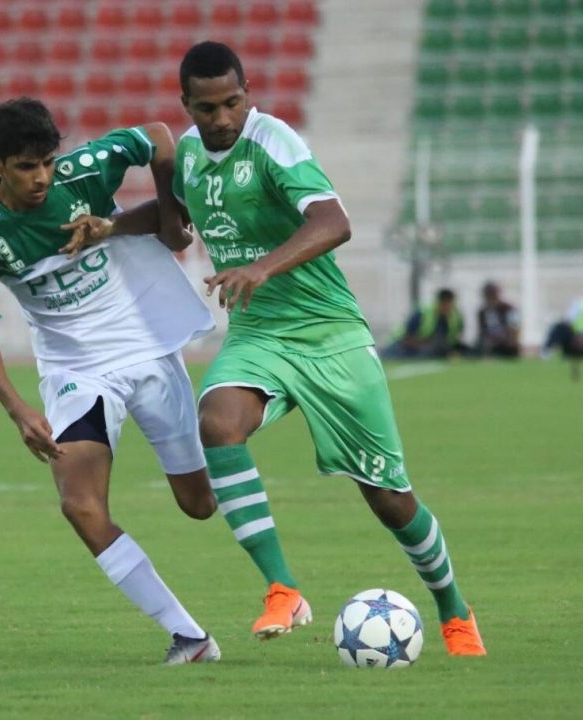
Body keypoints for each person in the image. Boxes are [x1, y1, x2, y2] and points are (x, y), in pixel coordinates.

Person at [169, 41, 485, 655]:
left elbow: (334, 222)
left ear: (248, 93)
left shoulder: (273, 140)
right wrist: (112, 226)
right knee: (217, 423)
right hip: (260, 334)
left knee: (389, 498)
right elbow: (174, 213)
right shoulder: (188, 155)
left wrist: (260, 267)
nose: (223, 118)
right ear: (187, 105)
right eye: (208, 108)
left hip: (329, 332)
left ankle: (454, 609)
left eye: (233, 102)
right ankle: (282, 588)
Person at [0, 98, 221, 665]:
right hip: (76, 371)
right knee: (80, 504)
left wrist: (171, 214)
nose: (42, 177)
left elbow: (158, 135)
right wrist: (19, 410)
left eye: (48, 162)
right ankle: (189, 637)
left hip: (146, 350)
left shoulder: (85, 171)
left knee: (199, 504)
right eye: (26, 166)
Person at [383, 288, 470, 359]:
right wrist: (428, 344)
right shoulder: (422, 313)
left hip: (434, 348)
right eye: (445, 304)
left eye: (450, 304)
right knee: (389, 355)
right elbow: (407, 340)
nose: (447, 307)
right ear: (439, 302)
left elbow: (455, 338)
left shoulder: (456, 316)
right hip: (401, 344)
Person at [476, 282, 520, 358]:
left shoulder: (508, 308)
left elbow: (515, 326)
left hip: (506, 344)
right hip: (490, 344)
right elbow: (482, 331)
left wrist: (512, 341)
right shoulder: (482, 312)